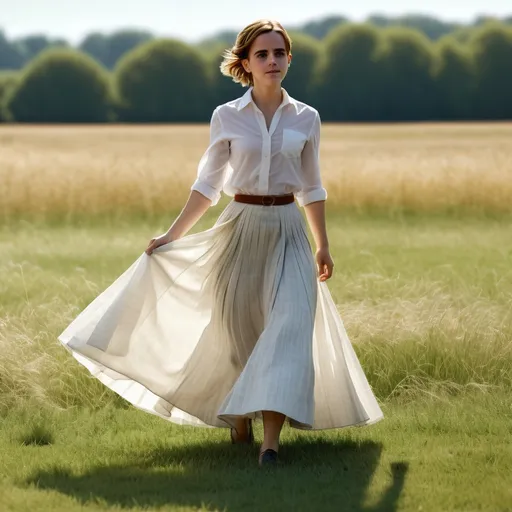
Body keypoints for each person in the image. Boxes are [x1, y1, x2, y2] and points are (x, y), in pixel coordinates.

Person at [58, 19, 383, 468]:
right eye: (263, 55)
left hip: (289, 231)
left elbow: (312, 187)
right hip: (240, 228)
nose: (272, 61)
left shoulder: (307, 118)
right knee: (238, 335)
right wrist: (172, 236)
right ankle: (239, 419)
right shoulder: (226, 116)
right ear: (246, 64)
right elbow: (208, 187)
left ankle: (270, 445)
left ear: (289, 59)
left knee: (289, 330)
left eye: (280, 53)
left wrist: (322, 244)